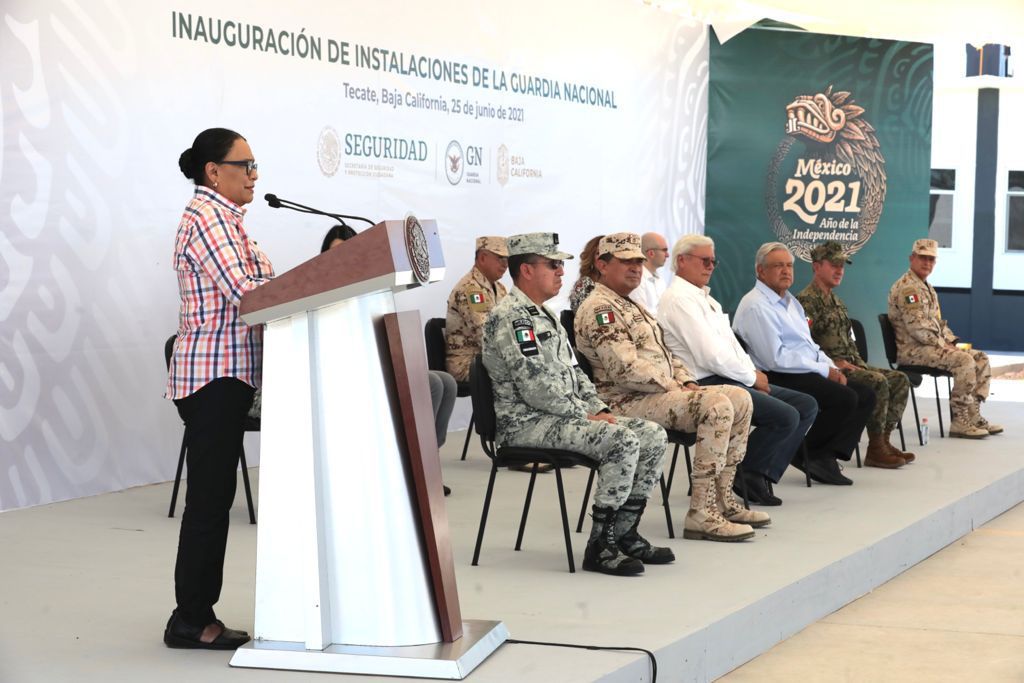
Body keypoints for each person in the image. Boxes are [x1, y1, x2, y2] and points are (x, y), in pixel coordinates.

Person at [482, 232, 672, 575]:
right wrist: (587, 416)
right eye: (553, 264)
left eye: (560, 265)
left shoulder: (547, 315)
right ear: (526, 270)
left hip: (560, 417)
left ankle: (624, 533)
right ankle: (600, 546)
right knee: (622, 439)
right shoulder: (513, 317)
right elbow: (536, 388)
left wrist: (599, 409)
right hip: (527, 423)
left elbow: (575, 373)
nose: (560, 271)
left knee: (654, 434)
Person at [576, 233, 765, 541]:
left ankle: (723, 501)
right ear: (601, 264)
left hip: (659, 393)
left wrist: (686, 379)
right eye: (625, 261)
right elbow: (625, 370)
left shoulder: (633, 305)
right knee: (716, 404)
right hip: (626, 400)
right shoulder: (600, 309)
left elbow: (668, 354)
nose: (635, 268)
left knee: (741, 398)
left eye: (638, 260)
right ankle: (701, 514)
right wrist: (674, 384)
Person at [164, 128, 274, 650]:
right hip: (212, 377)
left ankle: (194, 612)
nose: (254, 175)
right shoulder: (207, 219)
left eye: (255, 165)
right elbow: (248, 293)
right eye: (245, 164)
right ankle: (190, 619)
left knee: (215, 497)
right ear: (214, 170)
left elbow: (266, 281)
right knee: (209, 502)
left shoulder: (231, 221)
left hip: (227, 375)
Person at [657, 234, 817, 505]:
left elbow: (732, 348)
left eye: (713, 261)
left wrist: (752, 375)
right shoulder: (679, 300)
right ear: (681, 261)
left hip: (729, 377)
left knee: (806, 405)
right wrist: (751, 377)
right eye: (704, 260)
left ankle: (755, 470)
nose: (710, 266)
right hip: (703, 383)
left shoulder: (705, 298)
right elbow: (711, 356)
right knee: (786, 416)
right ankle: (747, 474)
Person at [323, 227, 457, 494]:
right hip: (341, 371)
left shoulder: (368, 289)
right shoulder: (320, 291)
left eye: (347, 252)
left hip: (374, 363)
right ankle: (409, 470)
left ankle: (425, 463)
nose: (340, 260)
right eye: (334, 253)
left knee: (446, 382)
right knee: (431, 384)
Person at [733, 242, 875, 486]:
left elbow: (810, 345)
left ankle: (821, 454)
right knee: (845, 398)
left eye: (789, 265)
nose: (786, 271)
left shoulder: (790, 302)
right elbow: (775, 358)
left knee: (865, 394)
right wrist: (823, 370)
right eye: (778, 266)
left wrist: (831, 367)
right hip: (774, 374)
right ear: (760, 271)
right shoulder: (756, 304)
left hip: (801, 368)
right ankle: (810, 453)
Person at [797, 241, 912, 467]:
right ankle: (876, 448)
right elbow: (803, 344)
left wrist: (858, 364)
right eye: (834, 264)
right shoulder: (806, 302)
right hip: (830, 370)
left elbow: (849, 340)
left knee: (900, 379)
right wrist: (833, 363)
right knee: (877, 382)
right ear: (817, 266)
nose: (840, 270)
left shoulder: (837, 302)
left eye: (842, 265)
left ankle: (882, 442)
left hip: (854, 364)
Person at [888, 238, 1002, 438]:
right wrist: (946, 346)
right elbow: (918, 329)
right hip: (913, 350)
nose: (927, 263)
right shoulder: (908, 288)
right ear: (911, 258)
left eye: (931, 259)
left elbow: (938, 324)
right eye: (923, 258)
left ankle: (972, 415)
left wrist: (952, 342)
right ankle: (959, 421)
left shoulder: (927, 288)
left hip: (930, 347)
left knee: (980, 357)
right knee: (963, 360)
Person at [445, 237, 509, 383]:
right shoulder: (470, 289)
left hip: (486, 359)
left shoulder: (500, 288)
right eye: (500, 258)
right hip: (467, 363)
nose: (505, 265)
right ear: (482, 258)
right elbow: (486, 335)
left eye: (507, 259)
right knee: (522, 374)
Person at [631, 232, 669, 312]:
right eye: (664, 250)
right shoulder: (636, 279)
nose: (667, 255)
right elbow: (642, 315)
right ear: (651, 253)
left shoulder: (661, 280)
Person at [569, 235, 603, 313]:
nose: (603, 258)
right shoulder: (585, 283)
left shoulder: (619, 283)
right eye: (598, 253)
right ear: (591, 257)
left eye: (607, 254)